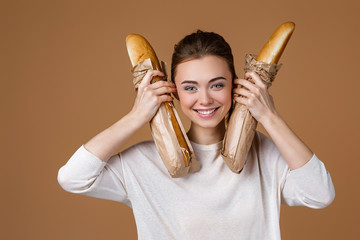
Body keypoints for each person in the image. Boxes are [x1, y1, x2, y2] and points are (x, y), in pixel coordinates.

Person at [58, 30, 335, 240]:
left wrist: (268, 116)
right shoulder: (143, 162)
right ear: (172, 92)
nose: (205, 99)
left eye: (217, 84)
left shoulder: (265, 155)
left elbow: (320, 194)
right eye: (190, 88)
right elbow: (73, 178)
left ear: (234, 86)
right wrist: (137, 116)